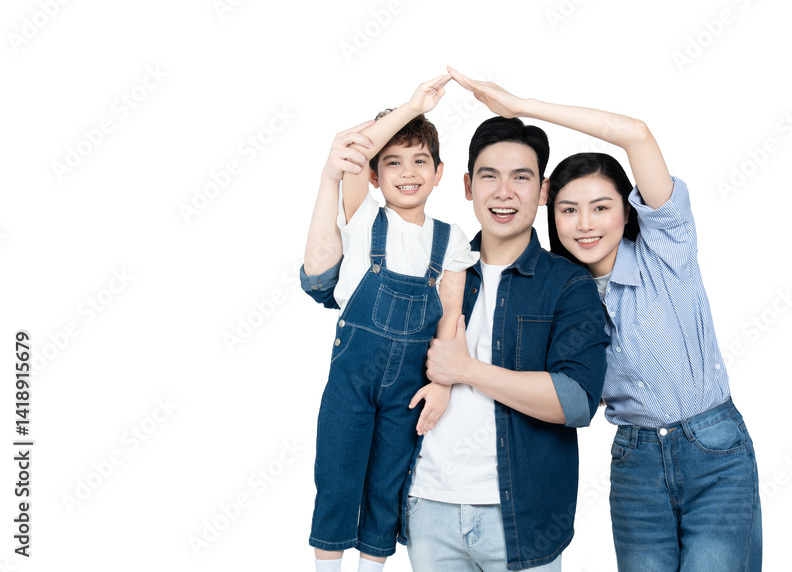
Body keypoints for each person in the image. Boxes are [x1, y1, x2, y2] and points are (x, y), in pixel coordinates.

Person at [446, 67, 763, 571]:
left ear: (626, 211)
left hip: (713, 453)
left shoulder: (668, 251)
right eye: (569, 210)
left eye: (600, 207)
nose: (585, 224)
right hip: (635, 463)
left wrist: (522, 107)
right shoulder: (559, 293)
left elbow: (634, 133)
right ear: (551, 212)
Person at [405, 113, 610, 570]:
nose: (504, 192)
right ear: (466, 185)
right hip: (428, 507)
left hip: (522, 517)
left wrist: (465, 370)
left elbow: (576, 401)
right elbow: (323, 283)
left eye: (521, 178)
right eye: (489, 177)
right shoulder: (432, 266)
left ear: (543, 191)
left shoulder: (568, 283)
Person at [299, 73, 479, 572]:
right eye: (393, 163)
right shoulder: (363, 218)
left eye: (420, 160)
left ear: (440, 172)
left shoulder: (452, 239)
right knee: (337, 473)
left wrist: (441, 385)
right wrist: (413, 105)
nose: (407, 172)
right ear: (374, 176)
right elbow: (356, 146)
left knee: (387, 483)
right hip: (351, 379)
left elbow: (450, 318)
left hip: (409, 385)